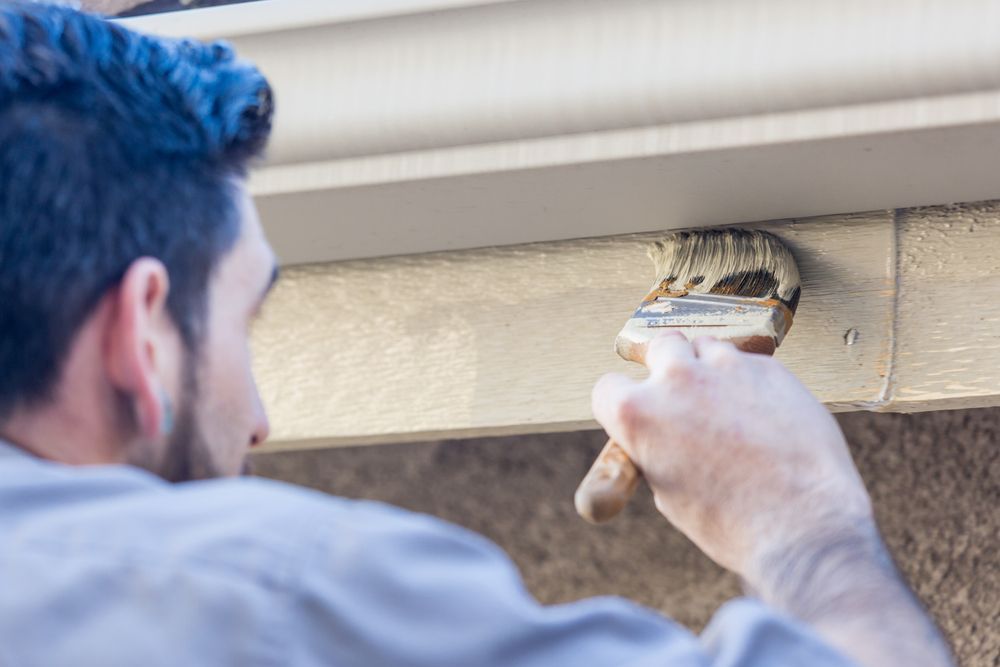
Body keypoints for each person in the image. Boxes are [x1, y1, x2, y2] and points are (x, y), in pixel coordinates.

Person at [0, 4, 954, 666]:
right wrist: (804, 528)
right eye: (243, 322)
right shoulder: (267, 593)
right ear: (140, 329)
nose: (257, 419)